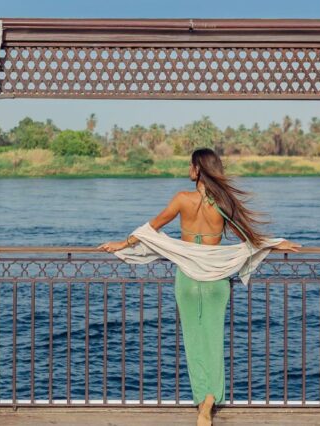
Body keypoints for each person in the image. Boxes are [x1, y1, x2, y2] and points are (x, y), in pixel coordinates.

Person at [98, 147, 301, 426]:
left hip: (188, 279)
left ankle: (201, 403)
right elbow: (250, 239)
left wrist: (122, 244)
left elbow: (151, 228)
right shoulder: (223, 203)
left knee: (194, 342)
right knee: (214, 340)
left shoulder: (182, 199)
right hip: (217, 279)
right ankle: (210, 399)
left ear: (197, 170)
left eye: (190, 165)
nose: (188, 169)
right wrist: (276, 243)